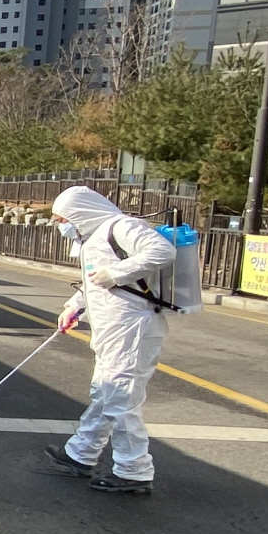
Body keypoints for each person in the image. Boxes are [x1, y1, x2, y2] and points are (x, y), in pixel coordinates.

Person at [44, 185, 178, 496]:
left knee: (120, 399)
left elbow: (162, 252)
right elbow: (95, 283)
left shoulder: (120, 226)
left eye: (60, 218)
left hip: (132, 329)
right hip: (113, 329)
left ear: (79, 213)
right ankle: (81, 453)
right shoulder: (93, 238)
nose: (58, 225)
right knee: (106, 392)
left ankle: (134, 470)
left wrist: (117, 273)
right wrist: (73, 307)